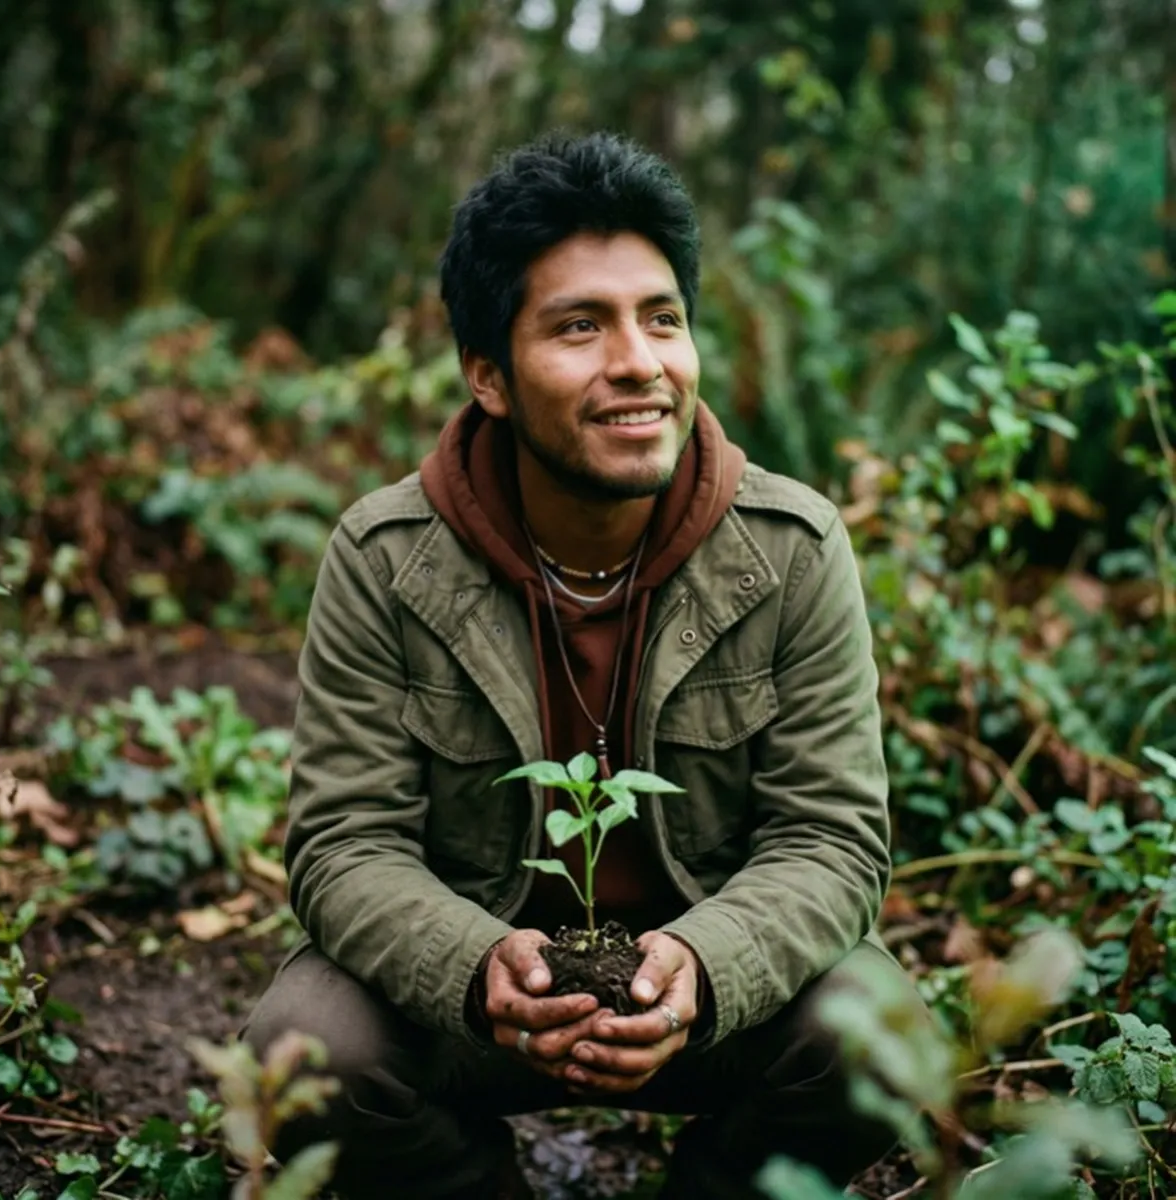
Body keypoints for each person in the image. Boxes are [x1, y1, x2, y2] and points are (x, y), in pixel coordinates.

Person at [240, 130, 926, 1199]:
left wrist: (703, 966)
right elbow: (344, 841)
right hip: (475, 1018)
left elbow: (832, 838)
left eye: (663, 319)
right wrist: (476, 968)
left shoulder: (792, 550)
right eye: (579, 327)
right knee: (301, 1041)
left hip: (707, 1010)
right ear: (489, 376)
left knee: (881, 1034)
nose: (640, 362)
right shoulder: (385, 559)